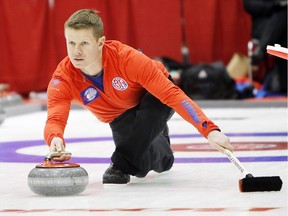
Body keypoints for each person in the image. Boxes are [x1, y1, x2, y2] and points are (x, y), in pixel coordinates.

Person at [44, 9, 234, 184]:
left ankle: (120, 164)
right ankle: (164, 151)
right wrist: (55, 138)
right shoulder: (63, 78)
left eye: (84, 43)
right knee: (141, 166)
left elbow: (172, 95)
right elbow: (55, 117)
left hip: (153, 95)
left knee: (132, 150)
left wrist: (209, 130)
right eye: (71, 42)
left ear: (100, 42)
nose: (76, 51)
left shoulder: (127, 59)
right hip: (118, 114)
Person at [243, 0, 287, 94]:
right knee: (283, 13)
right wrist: (274, 5)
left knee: (284, 14)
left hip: (282, 29)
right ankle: (284, 86)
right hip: (263, 27)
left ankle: (261, 49)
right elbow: (248, 5)